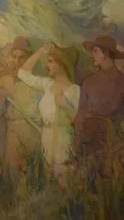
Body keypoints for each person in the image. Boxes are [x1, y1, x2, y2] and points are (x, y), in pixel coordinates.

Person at [17, 43, 81, 181]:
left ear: (62, 63)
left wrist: (66, 106)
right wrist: (40, 51)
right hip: (46, 138)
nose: (47, 65)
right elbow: (22, 73)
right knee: (48, 178)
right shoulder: (47, 84)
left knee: (63, 178)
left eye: (51, 61)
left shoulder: (75, 90)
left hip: (64, 139)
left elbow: (80, 121)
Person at [0, 36, 42, 173]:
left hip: (33, 132)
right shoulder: (4, 80)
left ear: (28, 59)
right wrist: (1, 97)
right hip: (13, 134)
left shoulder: (36, 82)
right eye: (14, 57)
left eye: (21, 58)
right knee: (12, 174)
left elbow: (40, 112)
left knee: (33, 174)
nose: (17, 61)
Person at [76, 34, 124, 164]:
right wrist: (77, 148)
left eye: (95, 51)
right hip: (89, 145)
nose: (92, 55)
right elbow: (81, 116)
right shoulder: (88, 82)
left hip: (113, 146)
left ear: (106, 53)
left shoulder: (123, 81)